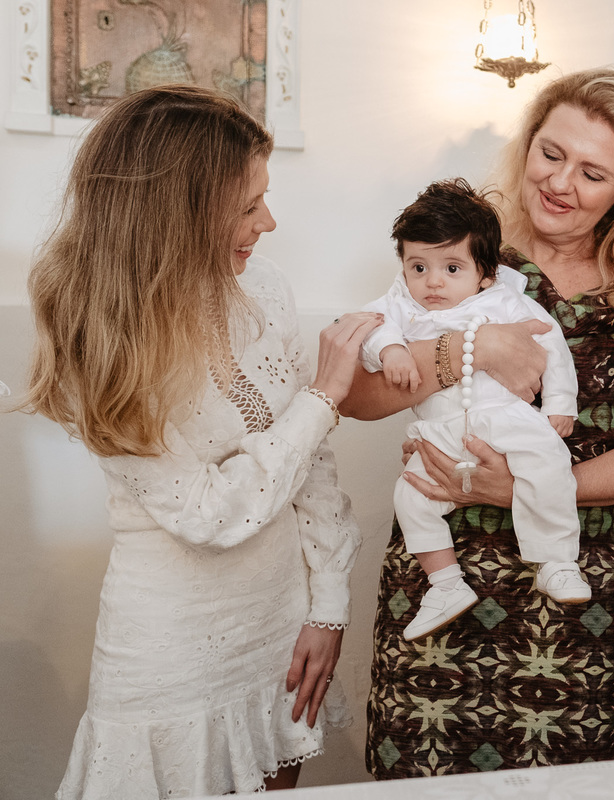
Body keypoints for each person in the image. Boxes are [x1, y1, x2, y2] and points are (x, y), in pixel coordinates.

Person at [350, 68, 614, 777]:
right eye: (551, 154)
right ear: (526, 148)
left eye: (592, 172)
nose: (561, 183)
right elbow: (362, 396)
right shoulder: (459, 255)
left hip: (576, 600)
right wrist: (470, 346)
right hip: (443, 582)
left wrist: (519, 487)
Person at [21, 85, 376, 797]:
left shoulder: (264, 290)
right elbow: (209, 512)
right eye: (248, 206)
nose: (268, 221)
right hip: (171, 650)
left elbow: (311, 469)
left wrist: (327, 607)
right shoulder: (103, 338)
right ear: (173, 214)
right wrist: (322, 396)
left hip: (280, 622)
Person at [359, 178, 590, 641]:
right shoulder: (401, 302)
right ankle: (445, 584)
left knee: (548, 461)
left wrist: (561, 403)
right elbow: (370, 328)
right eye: (418, 266)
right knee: (411, 495)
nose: (432, 282)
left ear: (485, 272)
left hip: (504, 418)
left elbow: (551, 345)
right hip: (439, 428)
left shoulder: (504, 300)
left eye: (451, 267)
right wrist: (391, 353)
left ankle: (557, 561)